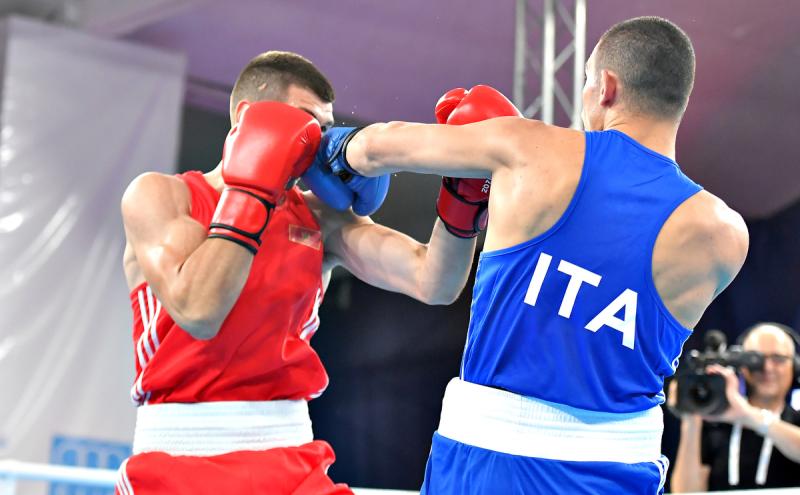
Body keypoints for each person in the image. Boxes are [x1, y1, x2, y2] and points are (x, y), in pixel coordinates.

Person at [312, 16, 750, 494]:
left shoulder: (530, 148)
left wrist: (327, 145)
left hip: (489, 465)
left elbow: (375, 149)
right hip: (619, 472)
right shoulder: (724, 234)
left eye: (586, 81)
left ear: (605, 87)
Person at [115, 51, 514, 495]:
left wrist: (463, 200)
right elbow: (199, 311)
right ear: (247, 118)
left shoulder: (320, 218)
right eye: (303, 123)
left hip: (290, 458)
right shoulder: (162, 196)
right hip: (179, 461)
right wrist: (253, 189)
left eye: (323, 131)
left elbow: (434, 281)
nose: (312, 146)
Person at [671, 323, 800, 491]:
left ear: (795, 366)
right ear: (742, 367)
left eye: (778, 359)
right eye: (756, 360)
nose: (767, 368)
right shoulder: (715, 424)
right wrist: (691, 420)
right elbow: (686, 492)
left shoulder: (796, 420)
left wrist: (748, 415)